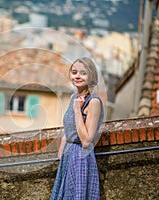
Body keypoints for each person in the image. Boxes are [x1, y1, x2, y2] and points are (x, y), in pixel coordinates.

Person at [50, 57, 104, 200]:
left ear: (91, 76)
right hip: (69, 156)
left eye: (83, 73)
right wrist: (62, 149)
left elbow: (86, 141)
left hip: (81, 157)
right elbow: (69, 127)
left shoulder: (93, 102)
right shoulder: (74, 97)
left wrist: (77, 111)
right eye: (74, 72)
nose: (77, 76)